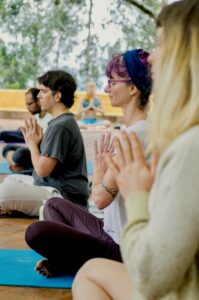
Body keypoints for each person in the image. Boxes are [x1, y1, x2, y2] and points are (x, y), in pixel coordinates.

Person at [72, 1, 199, 300]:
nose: (152, 58)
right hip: (130, 242)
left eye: (160, 45)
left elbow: (151, 276)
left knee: (86, 267)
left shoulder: (187, 144)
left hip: (146, 263)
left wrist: (137, 194)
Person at [25, 48, 152, 278]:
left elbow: (100, 200)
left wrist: (101, 171)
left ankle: (72, 261)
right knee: (54, 205)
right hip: (109, 231)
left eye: (112, 82)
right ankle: (71, 260)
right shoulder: (133, 129)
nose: (106, 89)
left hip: (123, 249)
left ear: (132, 88)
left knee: (36, 231)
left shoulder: (136, 135)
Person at [0, 70, 89, 217]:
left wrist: (32, 144)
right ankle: (15, 206)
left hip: (65, 198)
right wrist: (39, 143)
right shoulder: (61, 121)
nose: (39, 96)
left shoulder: (61, 125)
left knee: (4, 193)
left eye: (43, 91)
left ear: (57, 95)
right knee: (11, 179)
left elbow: (42, 170)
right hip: (50, 187)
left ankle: (13, 206)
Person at [2, 88, 53, 173]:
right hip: (33, 150)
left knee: (19, 154)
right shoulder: (37, 117)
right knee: (6, 148)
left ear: (39, 101)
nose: (27, 107)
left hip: (41, 155)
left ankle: (24, 168)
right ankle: (18, 166)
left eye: (30, 104)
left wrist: (32, 140)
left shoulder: (50, 119)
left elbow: (44, 148)